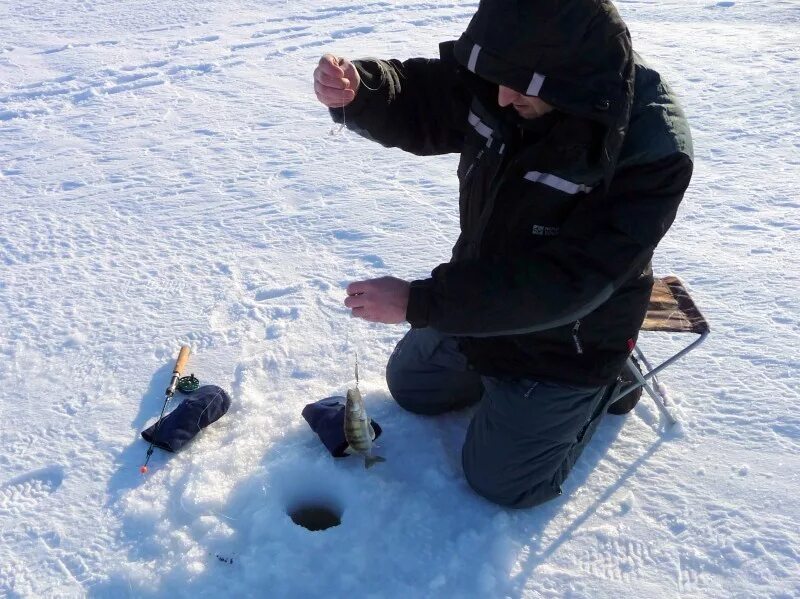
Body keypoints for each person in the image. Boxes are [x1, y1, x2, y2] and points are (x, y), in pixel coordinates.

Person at [313, 0, 693, 508]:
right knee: (411, 385)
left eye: (523, 86)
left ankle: (609, 386)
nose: (502, 96)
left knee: (503, 484)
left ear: (569, 74)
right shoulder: (505, 76)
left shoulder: (650, 146)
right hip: (485, 292)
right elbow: (426, 97)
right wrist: (363, 90)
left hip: (573, 334)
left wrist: (419, 303)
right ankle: (505, 382)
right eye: (498, 76)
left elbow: (566, 283)